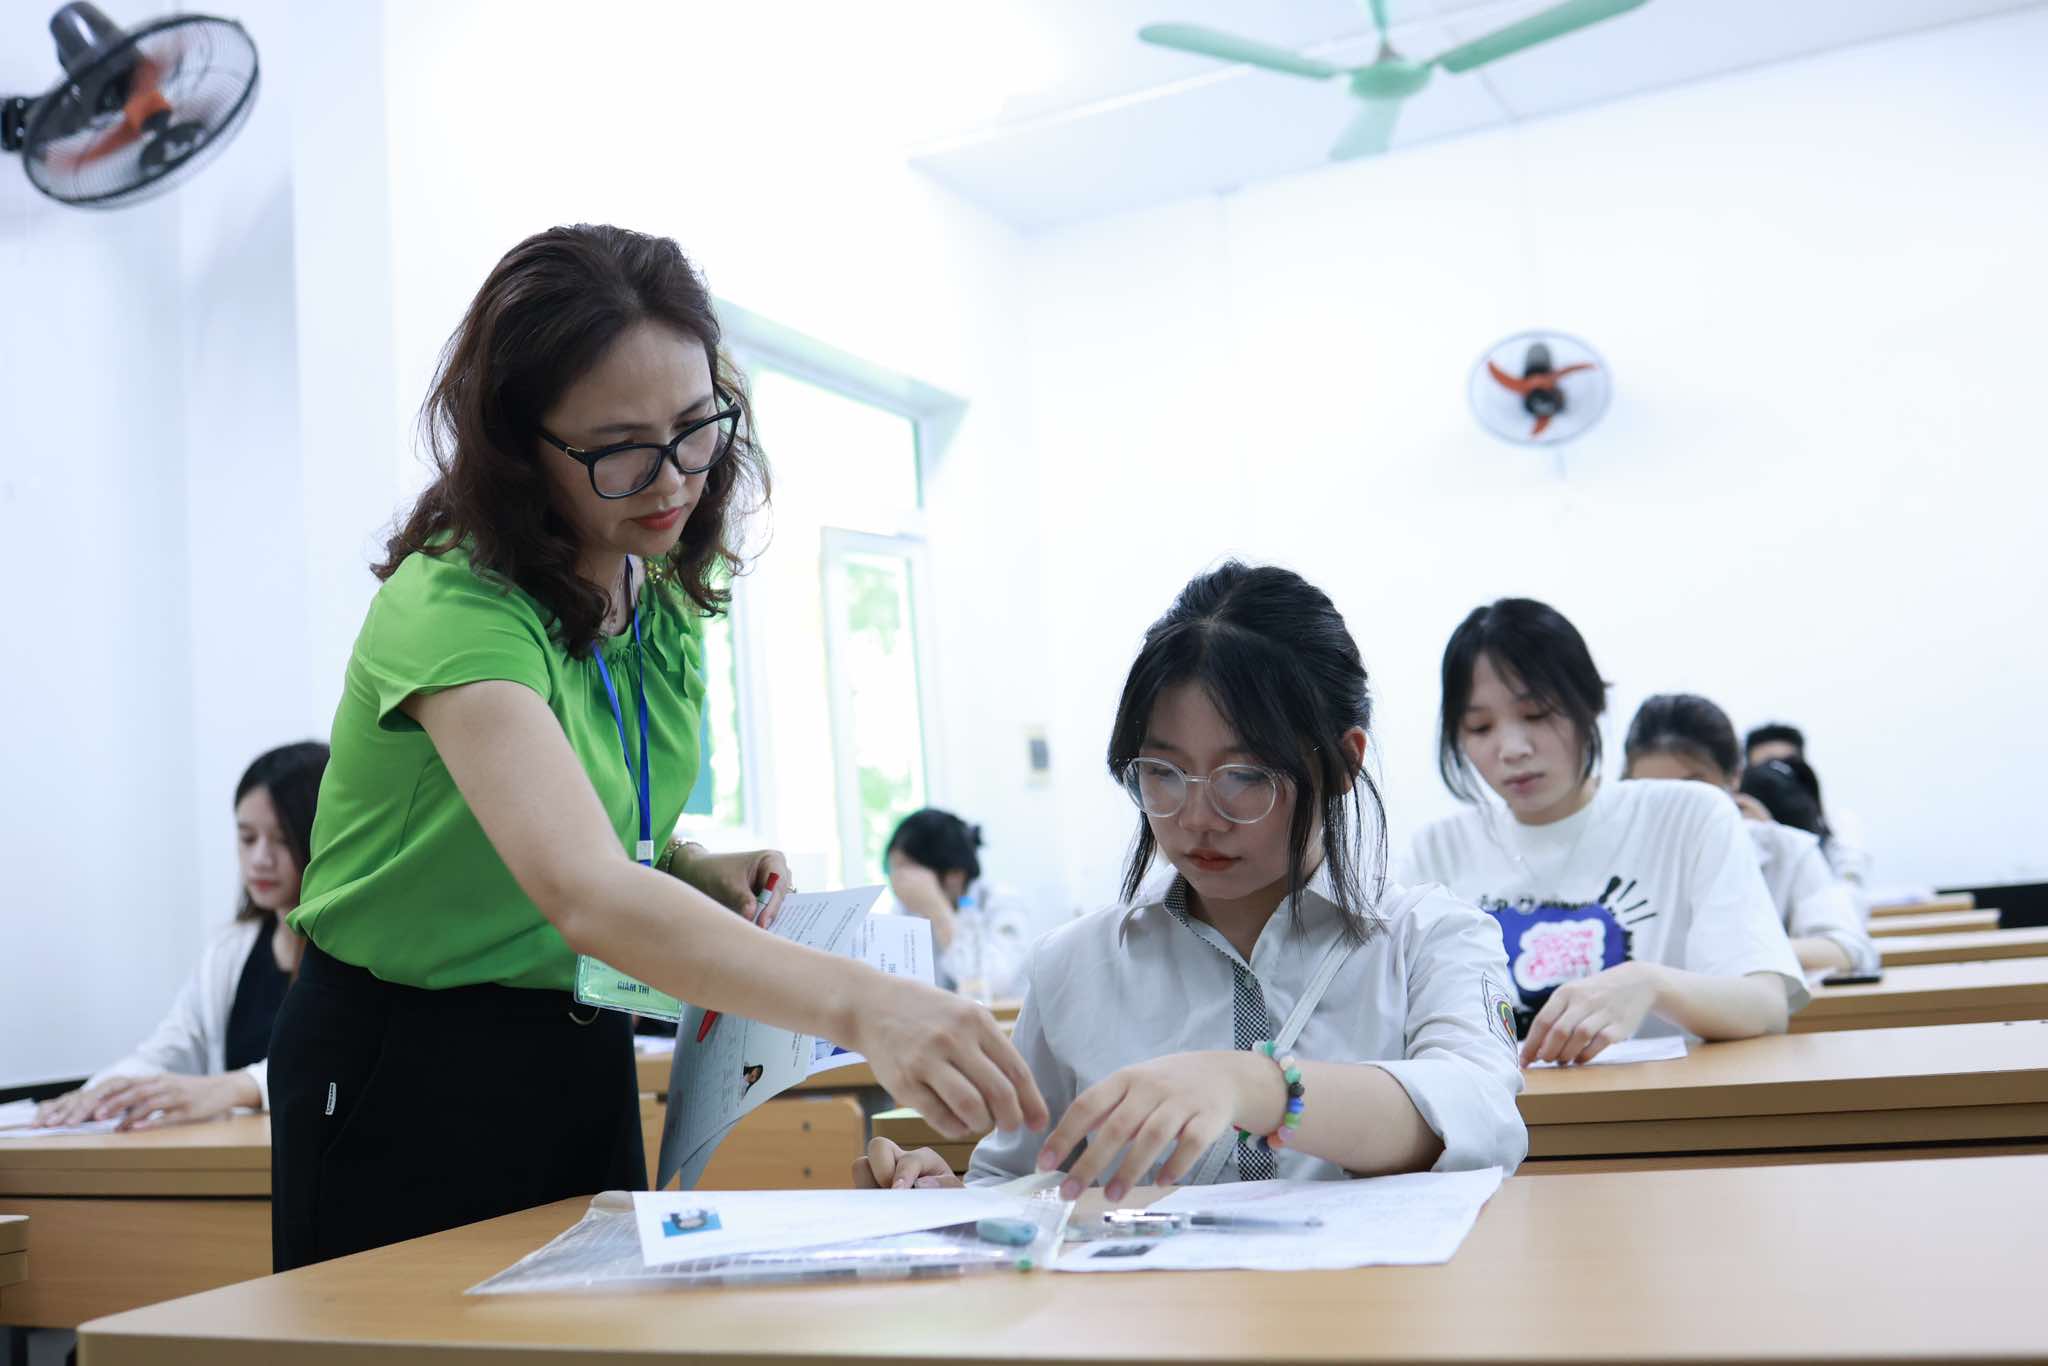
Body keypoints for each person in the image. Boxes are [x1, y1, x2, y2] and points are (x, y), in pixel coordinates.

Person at [268, 225, 1044, 1271]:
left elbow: (603, 823)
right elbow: (581, 887)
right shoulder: (452, 606)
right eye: (619, 446)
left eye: (695, 425)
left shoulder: (652, 578)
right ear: (516, 443)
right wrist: (860, 1001)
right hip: (400, 1057)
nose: (673, 476)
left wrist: (687, 865)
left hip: (576, 1039)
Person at [855, 563, 1526, 1198]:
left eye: (1246, 776)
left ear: (1343, 763)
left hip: (1380, 1316)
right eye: (1163, 773)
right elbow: (1018, 1186)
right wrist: (939, 1199)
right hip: (1151, 1322)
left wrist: (1257, 1086)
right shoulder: (1074, 966)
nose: (1198, 819)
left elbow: (1480, 1118)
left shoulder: (1430, 940)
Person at [1402, 599, 1806, 1065]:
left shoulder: (1687, 817)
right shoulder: (1438, 849)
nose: (1512, 748)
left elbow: (1766, 1005)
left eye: (1537, 714)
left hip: (1664, 1116)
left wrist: (1650, 984)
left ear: (1591, 704)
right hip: (1505, 1124)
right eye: (1480, 726)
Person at [36, 742, 329, 1130]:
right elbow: (168, 1050)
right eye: (247, 838)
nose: (260, 858)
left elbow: (329, 1064)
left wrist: (233, 1088)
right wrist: (99, 1093)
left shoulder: (351, 953)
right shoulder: (230, 950)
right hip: (225, 1160)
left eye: (282, 839)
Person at [1623, 695, 1876, 976]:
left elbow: (1846, 948)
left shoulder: (1786, 849)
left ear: (1733, 777)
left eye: (1692, 788)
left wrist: (1742, 952)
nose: (1675, 806)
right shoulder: (1617, 856)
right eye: (1653, 790)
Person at [882, 809, 1029, 1000]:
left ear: (955, 875)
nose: (898, 884)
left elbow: (993, 983)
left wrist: (938, 911)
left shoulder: (1001, 901)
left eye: (906, 873)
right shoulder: (906, 910)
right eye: (892, 870)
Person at [1743, 722, 1872, 886]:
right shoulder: (1743, 826)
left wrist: (1778, 833)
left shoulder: (1839, 824)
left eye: (1786, 766)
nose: (1776, 777)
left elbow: (1848, 893)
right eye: (1767, 768)